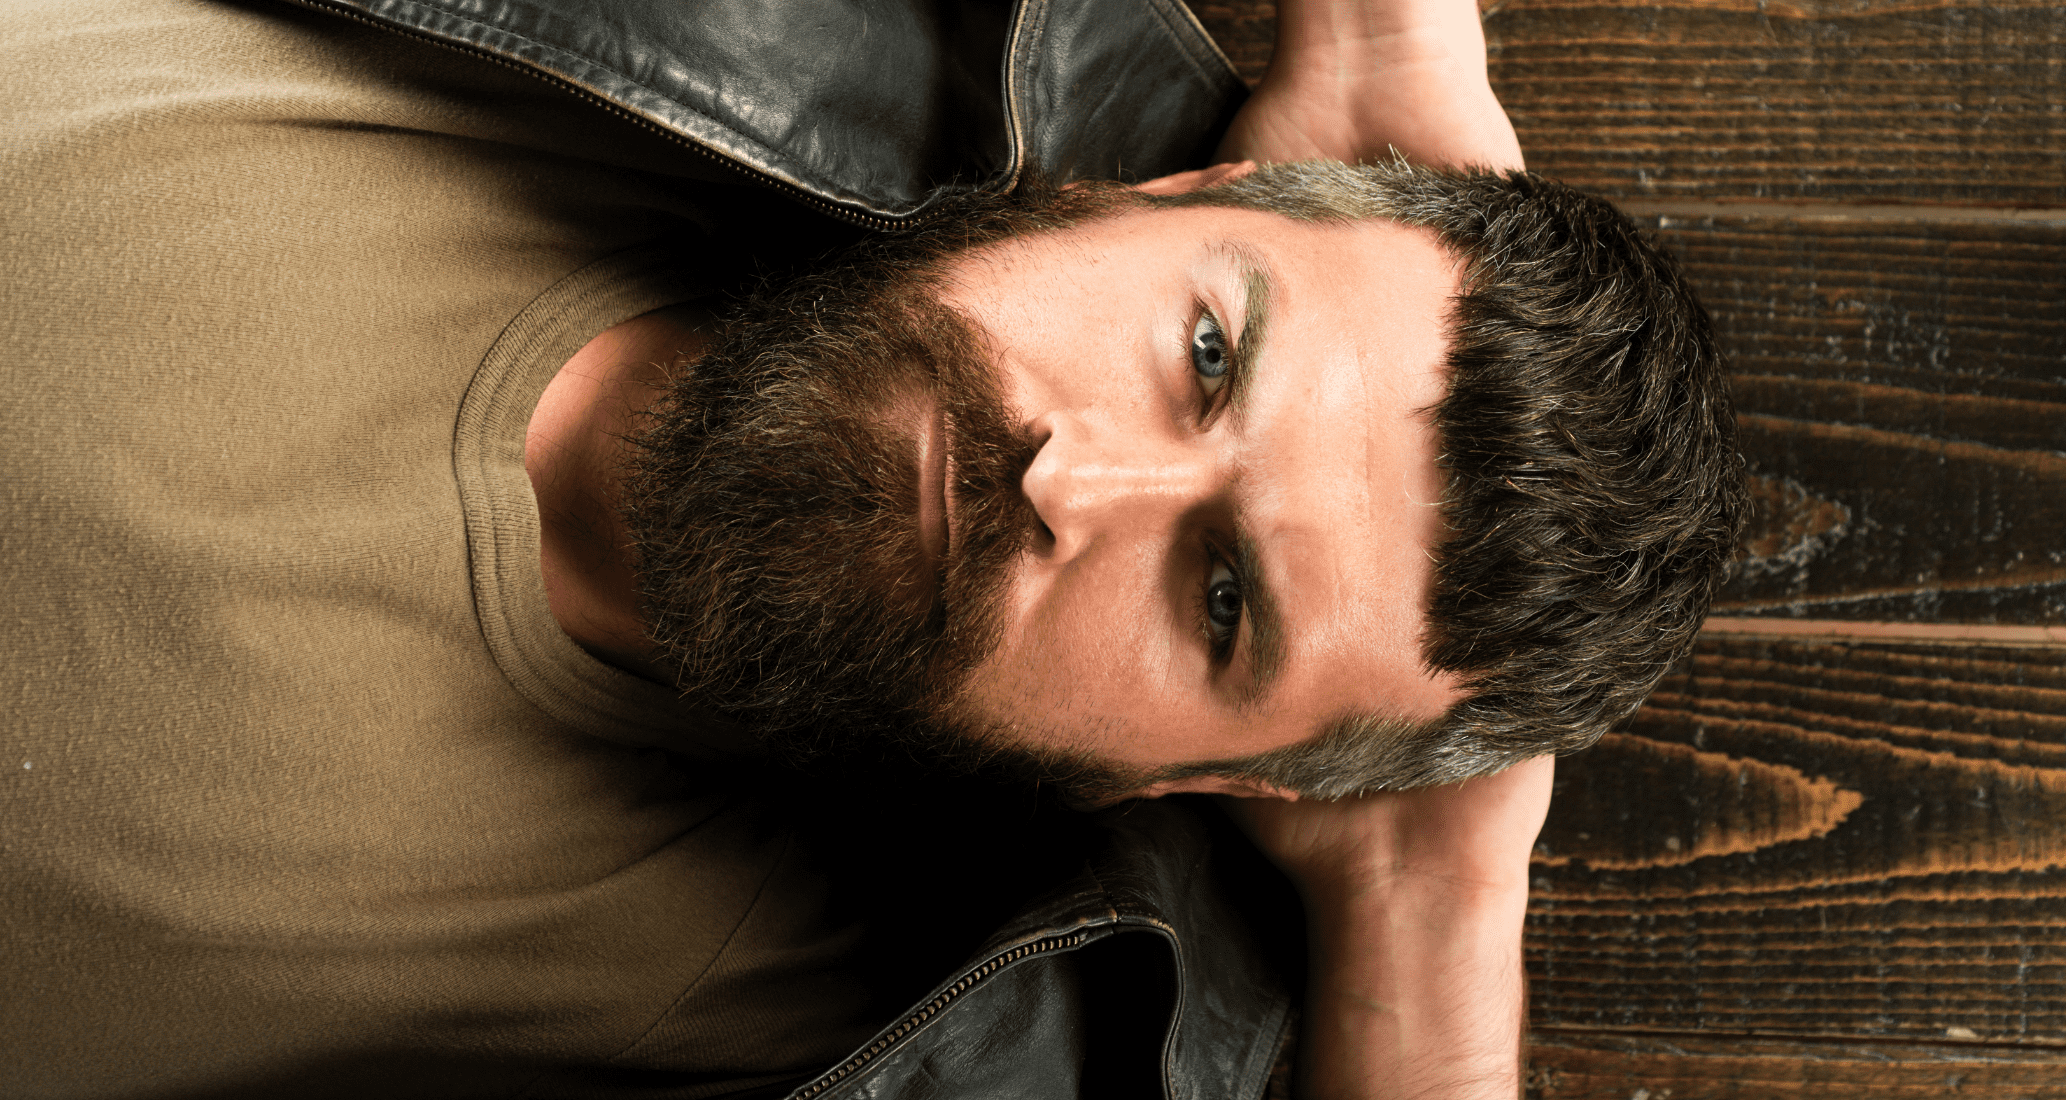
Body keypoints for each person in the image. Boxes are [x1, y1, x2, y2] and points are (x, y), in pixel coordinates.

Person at [0, 0, 1743, 1096]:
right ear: (1142, 206)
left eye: (1220, 602)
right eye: (1206, 354)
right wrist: (1386, 30)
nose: (1078, 482)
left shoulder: (799, 1004)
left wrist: (1429, 953)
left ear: (1193, 785)